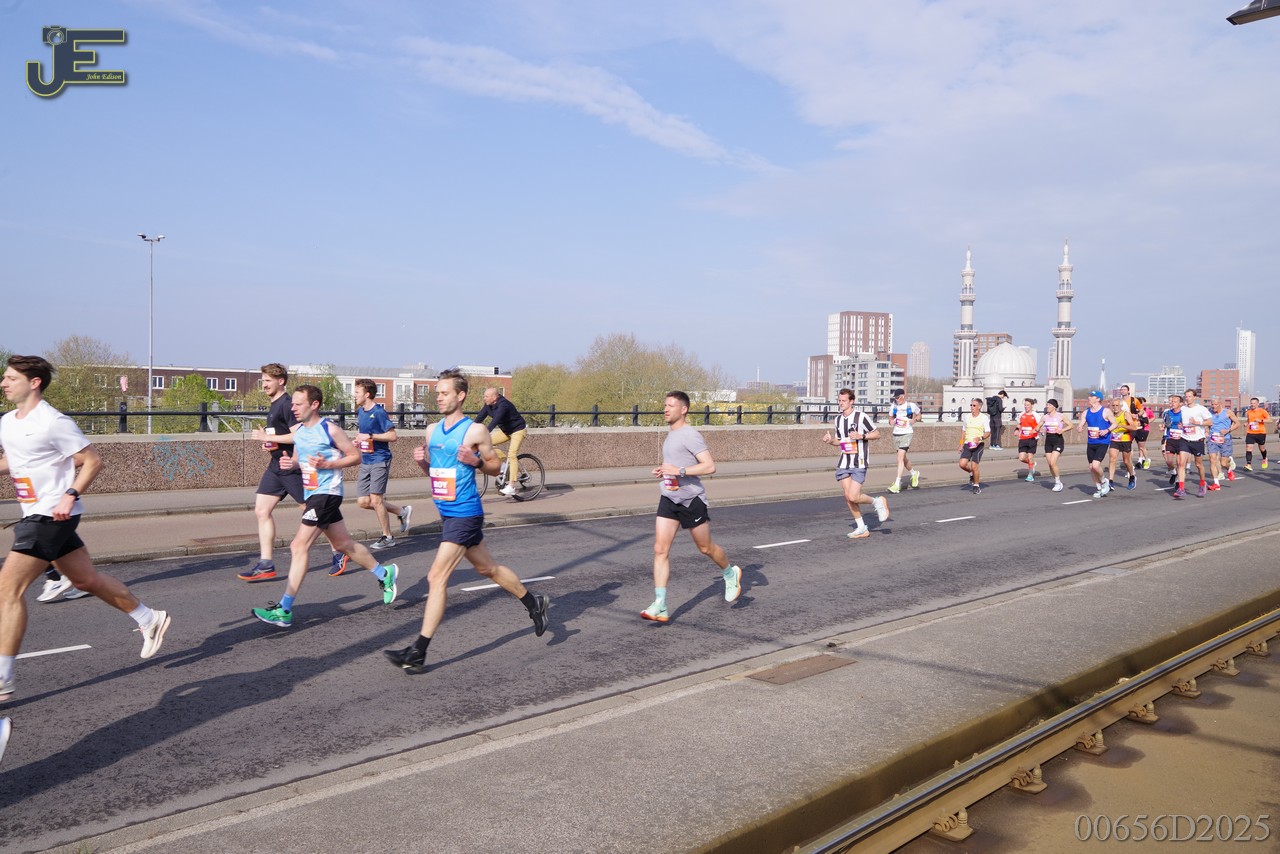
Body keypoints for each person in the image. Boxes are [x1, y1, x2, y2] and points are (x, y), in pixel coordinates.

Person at [0, 355, 171, 703]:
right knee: (85, 580)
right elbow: (18, 461)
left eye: (11, 378)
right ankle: (149, 617)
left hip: (51, 514)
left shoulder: (53, 421)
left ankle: (3, 677)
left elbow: (92, 460)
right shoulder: (7, 421)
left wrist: (70, 493)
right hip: (37, 512)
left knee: (8, 590)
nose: (4, 383)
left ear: (34, 382)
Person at [385, 370, 549, 672]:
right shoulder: (432, 430)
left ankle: (418, 651)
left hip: (465, 512)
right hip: (447, 512)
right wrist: (422, 462)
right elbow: (435, 472)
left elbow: (495, 466)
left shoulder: (475, 431)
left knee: (436, 577)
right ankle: (533, 602)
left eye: (444, 393)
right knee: (489, 569)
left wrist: (476, 462)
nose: (439, 397)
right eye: (438, 393)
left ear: (460, 396)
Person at [250, 385, 399, 629]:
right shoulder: (299, 431)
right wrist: (291, 464)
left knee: (298, 546)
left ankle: (284, 609)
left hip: (327, 494)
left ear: (314, 404)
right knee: (343, 544)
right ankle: (385, 574)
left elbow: (355, 456)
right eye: (292, 403)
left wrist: (329, 465)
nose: (293, 408)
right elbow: (298, 459)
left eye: (298, 404)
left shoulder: (330, 429)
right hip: (313, 494)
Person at [638, 390, 742, 623]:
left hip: (691, 500)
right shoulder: (670, 435)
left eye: (670, 405)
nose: (665, 409)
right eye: (665, 405)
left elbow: (709, 466)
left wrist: (680, 471)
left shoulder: (690, 435)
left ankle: (730, 572)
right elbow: (675, 465)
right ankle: (660, 604)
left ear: (683, 409)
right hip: (669, 497)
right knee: (660, 549)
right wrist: (664, 470)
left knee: (705, 548)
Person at [239, 363, 303, 582]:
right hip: (276, 466)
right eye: (263, 380)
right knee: (261, 510)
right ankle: (266, 563)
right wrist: (270, 442)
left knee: (312, 511)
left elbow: (298, 436)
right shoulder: (275, 404)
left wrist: (269, 438)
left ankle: (339, 549)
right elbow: (281, 436)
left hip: (291, 466)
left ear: (280, 381)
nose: (264, 384)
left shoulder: (287, 404)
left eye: (268, 381)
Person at [351, 378, 412, 554]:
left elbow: (392, 436)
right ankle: (401, 511)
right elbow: (364, 434)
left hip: (380, 459)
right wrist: (359, 440)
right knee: (363, 501)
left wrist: (370, 436)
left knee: (376, 500)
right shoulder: (361, 412)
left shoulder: (378, 412)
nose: (354, 395)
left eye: (357, 392)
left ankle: (388, 537)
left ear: (367, 394)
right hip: (366, 459)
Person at [822, 388, 890, 539]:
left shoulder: (861, 417)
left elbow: (877, 434)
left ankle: (877, 501)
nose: (841, 403)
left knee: (854, 496)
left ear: (851, 401)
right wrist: (830, 441)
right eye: (839, 401)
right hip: (844, 462)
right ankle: (862, 528)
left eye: (844, 401)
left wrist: (861, 436)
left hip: (859, 461)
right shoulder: (838, 419)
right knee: (848, 497)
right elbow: (840, 441)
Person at [472, 387, 528, 497]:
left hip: (518, 430)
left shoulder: (503, 405)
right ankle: (503, 465)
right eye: (484, 396)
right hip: (506, 431)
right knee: (488, 443)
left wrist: (484, 434)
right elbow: (479, 419)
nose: (484, 398)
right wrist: (468, 431)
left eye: (486, 396)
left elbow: (494, 421)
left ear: (494, 397)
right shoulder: (488, 405)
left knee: (512, 454)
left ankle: (511, 486)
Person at [1076, 391, 1115, 498]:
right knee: (1091, 467)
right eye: (1089, 396)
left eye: (1091, 396)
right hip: (1091, 442)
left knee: (1095, 465)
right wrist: (1079, 427)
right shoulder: (1086, 412)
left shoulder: (1106, 411)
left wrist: (1107, 430)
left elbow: (1115, 423)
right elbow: (1081, 424)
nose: (1089, 397)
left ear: (1098, 399)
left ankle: (1104, 482)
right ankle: (1099, 488)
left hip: (1102, 442)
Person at [886, 388, 921, 493]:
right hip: (896, 433)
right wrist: (891, 422)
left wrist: (915, 420)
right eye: (895, 398)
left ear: (903, 396)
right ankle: (914, 473)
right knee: (903, 459)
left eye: (898, 398)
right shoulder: (893, 406)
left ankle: (897, 483)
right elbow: (890, 419)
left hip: (907, 433)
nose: (896, 400)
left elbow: (919, 415)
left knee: (900, 457)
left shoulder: (911, 406)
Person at [1179, 388, 1212, 498]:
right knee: (1181, 463)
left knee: (1198, 464)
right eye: (1186, 396)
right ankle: (1181, 489)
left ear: (1195, 397)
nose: (1187, 398)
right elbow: (1181, 421)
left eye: (1189, 396)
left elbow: (1210, 422)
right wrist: (1180, 425)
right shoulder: (1182, 409)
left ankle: (1202, 483)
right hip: (1184, 439)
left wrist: (1198, 422)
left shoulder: (1201, 409)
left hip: (1197, 440)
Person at [958, 398, 991, 494]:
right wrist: (961, 444)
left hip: (978, 445)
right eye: (971, 405)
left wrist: (980, 438)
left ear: (979, 407)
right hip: (967, 444)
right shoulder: (967, 417)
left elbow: (988, 432)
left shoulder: (984, 418)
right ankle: (971, 473)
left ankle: (976, 485)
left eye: (974, 405)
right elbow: (963, 431)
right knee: (962, 464)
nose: (972, 407)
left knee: (974, 465)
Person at [1206, 398, 1240, 490]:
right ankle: (1216, 483)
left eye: (1215, 404)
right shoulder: (1209, 413)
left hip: (1225, 439)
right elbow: (1207, 425)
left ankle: (1229, 469)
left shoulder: (1228, 412)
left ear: (1220, 404)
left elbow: (1237, 423)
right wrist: (1206, 432)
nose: (1213, 406)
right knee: (1212, 460)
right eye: (1212, 404)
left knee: (1223, 463)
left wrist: (1228, 430)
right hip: (1212, 439)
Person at [1041, 399, 1073, 492]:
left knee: (1052, 462)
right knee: (1050, 465)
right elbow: (1038, 426)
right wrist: (1040, 429)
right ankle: (1056, 480)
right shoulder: (1045, 417)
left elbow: (1071, 425)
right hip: (1048, 441)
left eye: (1049, 405)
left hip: (1058, 440)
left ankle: (1058, 482)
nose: (1047, 406)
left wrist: (1062, 430)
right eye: (1047, 404)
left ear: (1054, 407)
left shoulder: (1060, 416)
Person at [1106, 398, 1138, 491]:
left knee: (1126, 461)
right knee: (1112, 459)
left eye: (1117, 405)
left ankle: (1132, 476)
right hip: (1114, 439)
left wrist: (1122, 425)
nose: (1115, 407)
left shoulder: (1125, 414)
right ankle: (1110, 481)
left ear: (1121, 406)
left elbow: (1134, 427)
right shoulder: (1110, 415)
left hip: (1125, 438)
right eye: (1113, 405)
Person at [1015, 398, 1042, 482]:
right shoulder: (1021, 414)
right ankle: (1032, 464)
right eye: (1025, 405)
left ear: (1032, 405)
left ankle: (1030, 475)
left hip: (1032, 438)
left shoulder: (1036, 415)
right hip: (1022, 438)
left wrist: (1037, 430)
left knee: (1030, 457)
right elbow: (1019, 424)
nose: (1026, 407)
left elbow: (1040, 425)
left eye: (1028, 405)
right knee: (1022, 458)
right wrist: (1016, 429)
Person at [1244, 397, 1269, 471]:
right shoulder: (1249, 412)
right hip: (1251, 432)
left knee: (1262, 448)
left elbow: (1270, 420)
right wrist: (1246, 423)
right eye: (1251, 403)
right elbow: (1249, 420)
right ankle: (1248, 464)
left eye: (1254, 403)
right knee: (1248, 447)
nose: (1252, 405)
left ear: (1258, 404)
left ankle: (1264, 458)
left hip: (1260, 432)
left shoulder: (1262, 411)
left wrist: (1261, 420)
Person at [1132, 396, 1153, 470]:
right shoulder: (1133, 410)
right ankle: (1139, 461)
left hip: (1143, 429)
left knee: (1141, 447)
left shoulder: (1145, 410)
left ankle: (1147, 459)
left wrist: (1145, 422)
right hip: (1134, 429)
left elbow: (1149, 419)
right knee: (1133, 446)